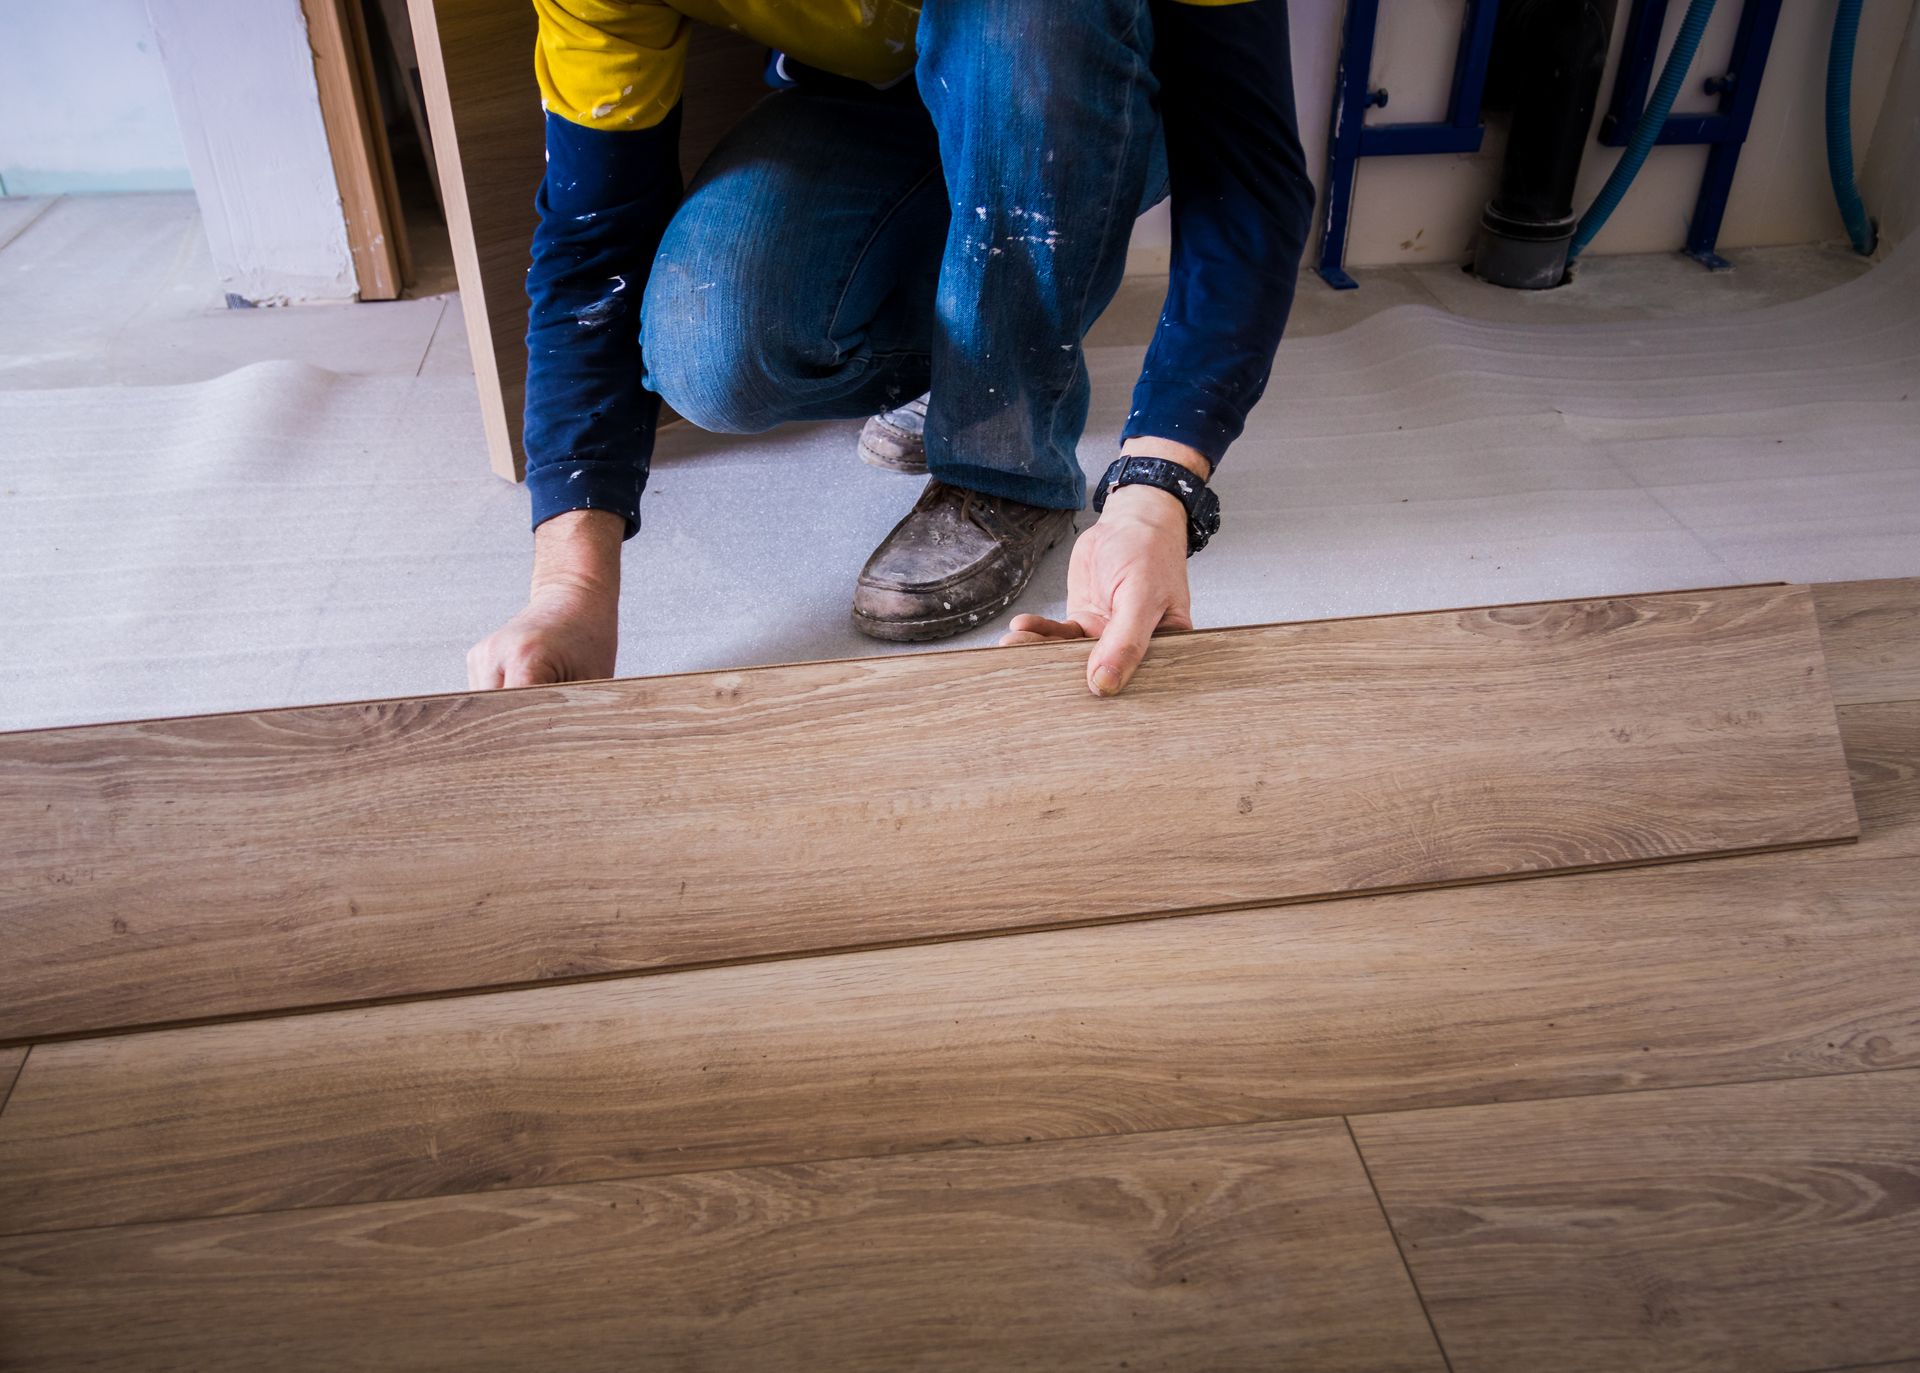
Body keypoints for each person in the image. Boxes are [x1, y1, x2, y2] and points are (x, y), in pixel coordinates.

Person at [468, 0, 1313, 697]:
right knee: (709, 344)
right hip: (881, 98)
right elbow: (594, 245)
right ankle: (977, 334)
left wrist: (1154, 494)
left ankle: (1004, 455)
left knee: (1023, 25)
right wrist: (571, 593)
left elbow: (1245, 170)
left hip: (1081, 74)